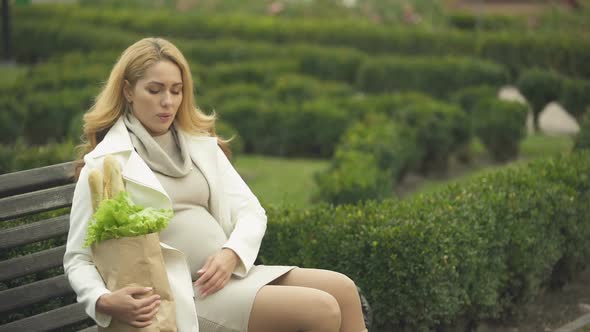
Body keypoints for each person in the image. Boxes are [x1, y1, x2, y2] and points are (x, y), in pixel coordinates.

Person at [64, 37, 367, 332]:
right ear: (128, 91)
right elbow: (78, 257)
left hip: (230, 277)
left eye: (176, 90)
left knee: (344, 290)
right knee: (320, 310)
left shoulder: (199, 146)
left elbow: (251, 211)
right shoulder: (106, 163)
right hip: (183, 298)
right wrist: (102, 301)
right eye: (154, 90)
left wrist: (231, 254)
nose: (167, 101)